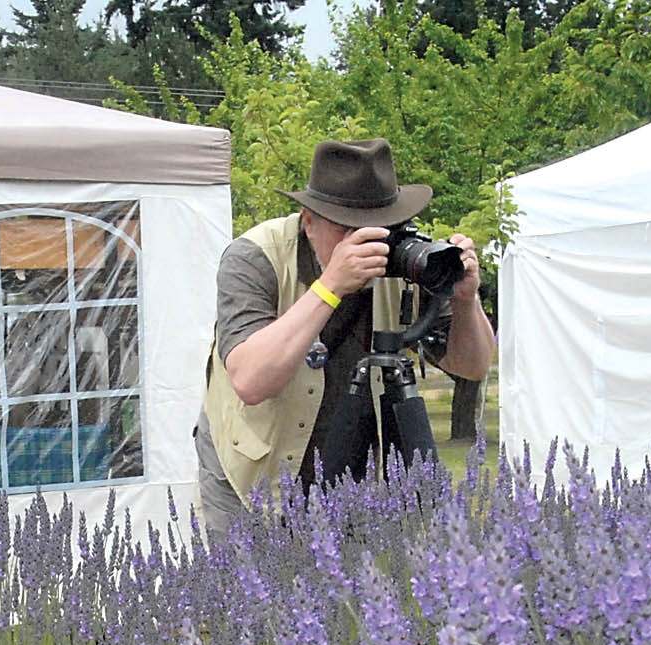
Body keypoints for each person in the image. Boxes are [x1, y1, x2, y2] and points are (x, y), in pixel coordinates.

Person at [194, 139, 495, 535]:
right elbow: (251, 381)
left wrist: (465, 300)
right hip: (252, 468)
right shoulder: (254, 257)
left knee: (348, 593)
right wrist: (331, 283)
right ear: (309, 220)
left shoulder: (403, 259)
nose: (364, 244)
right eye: (346, 228)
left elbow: (471, 365)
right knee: (246, 593)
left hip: (350, 470)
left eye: (377, 229)